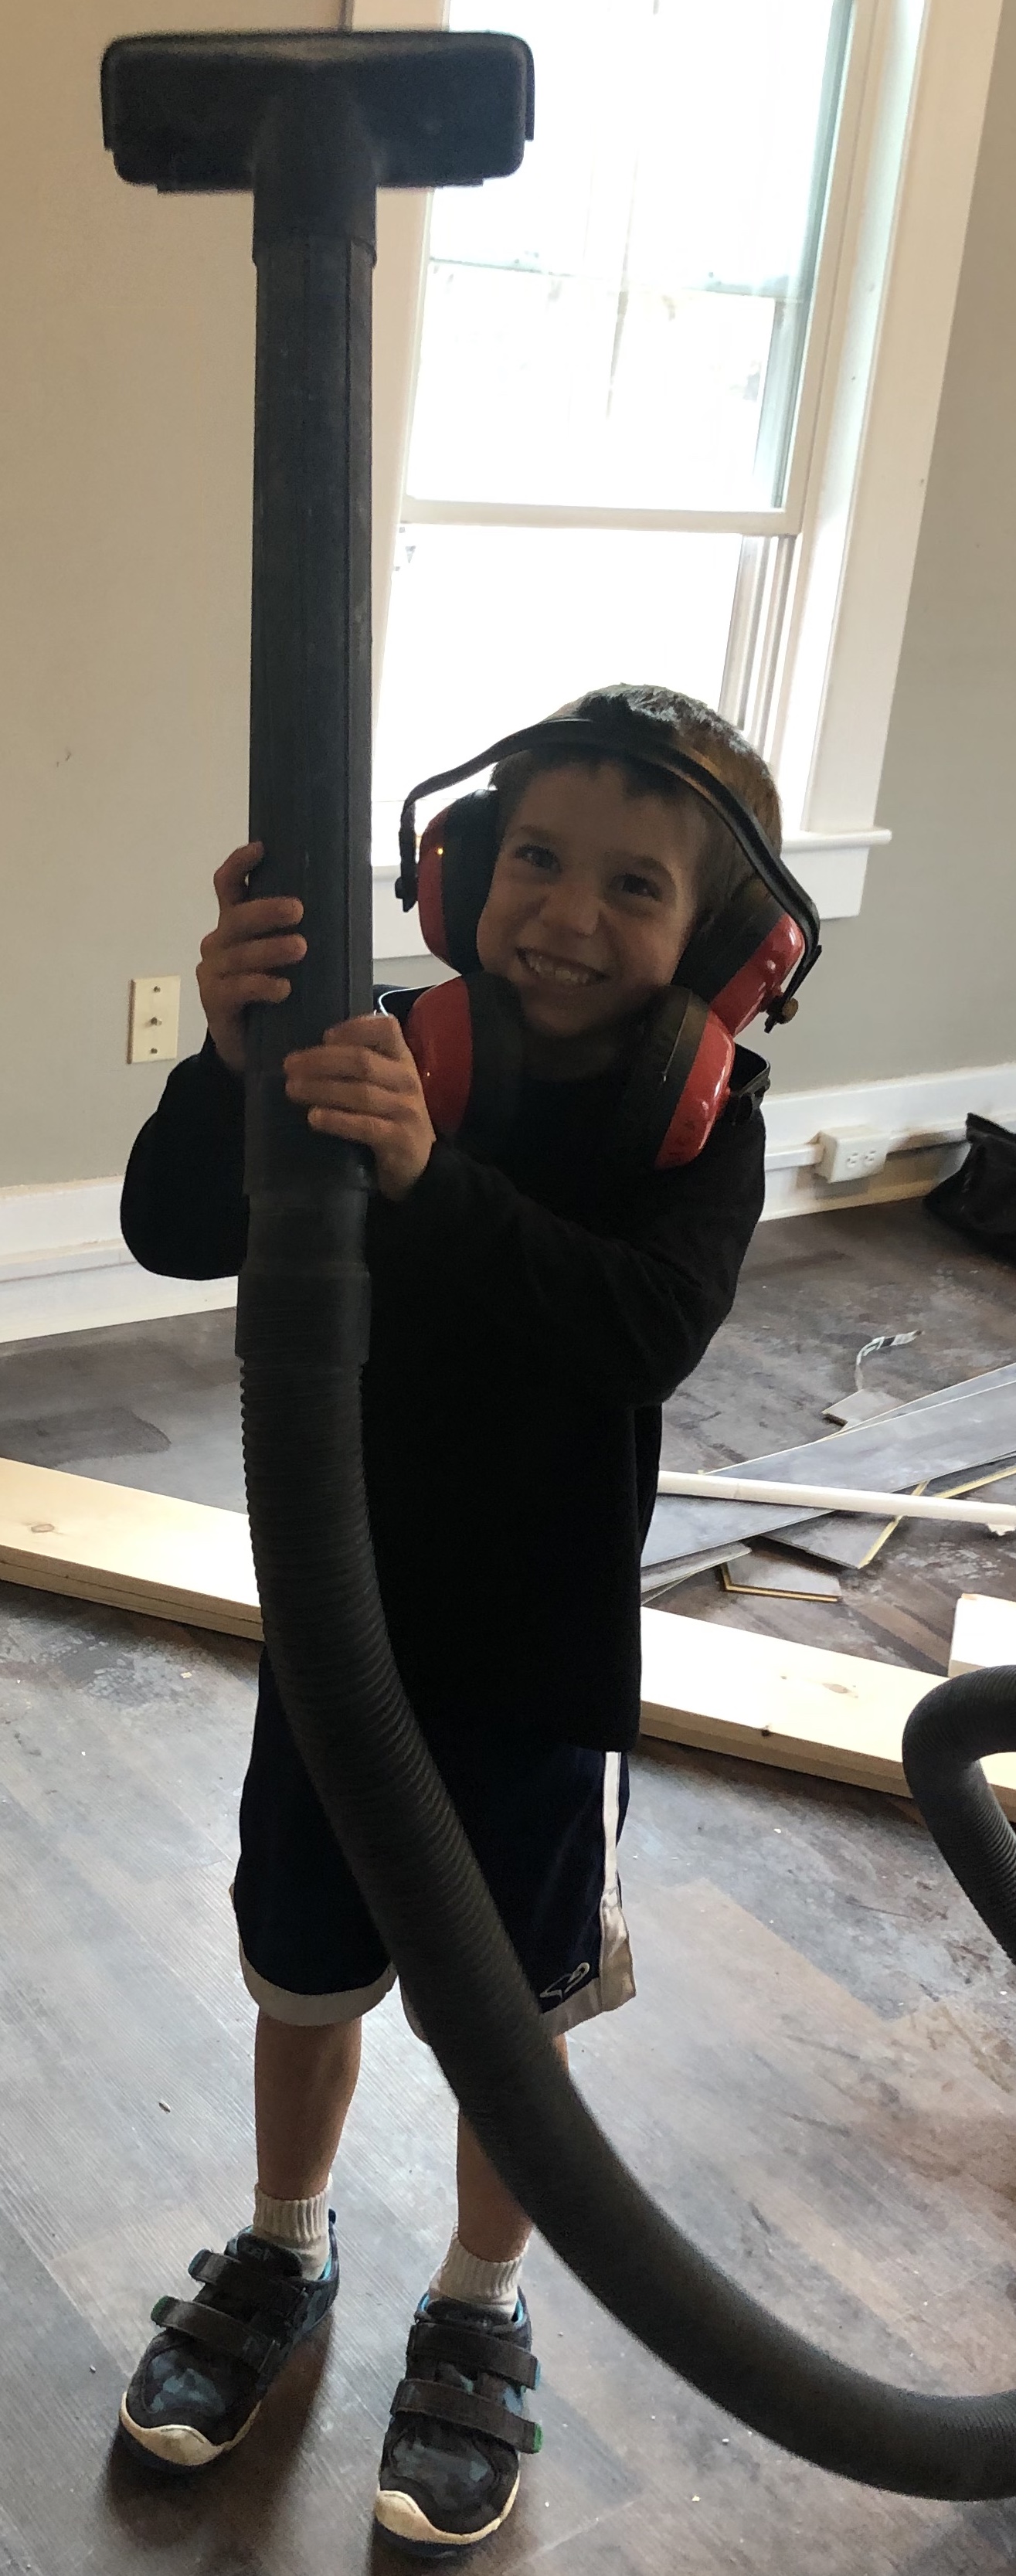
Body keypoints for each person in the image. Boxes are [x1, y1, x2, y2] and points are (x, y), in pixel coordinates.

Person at [115, 683, 787, 2555]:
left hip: (539, 1658)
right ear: (461, 870)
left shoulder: (697, 1128)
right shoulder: (400, 1040)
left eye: (635, 886)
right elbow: (177, 1220)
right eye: (536, 860)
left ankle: (482, 2299)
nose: (566, 912)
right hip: (342, 1632)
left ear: (725, 947)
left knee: (506, 2015)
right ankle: (280, 2241)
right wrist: (242, 1056)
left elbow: (635, 1332)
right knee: (303, 1970)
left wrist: (426, 1180)